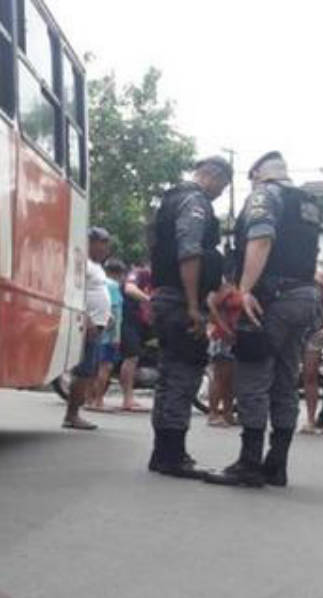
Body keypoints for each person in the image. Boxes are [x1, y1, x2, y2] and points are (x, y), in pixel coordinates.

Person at [207, 152, 321, 488]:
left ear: (257, 173)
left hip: (272, 299)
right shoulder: (308, 203)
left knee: (253, 377)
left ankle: (249, 463)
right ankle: (277, 464)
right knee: (287, 380)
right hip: (304, 298)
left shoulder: (265, 195)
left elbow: (261, 238)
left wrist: (244, 289)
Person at [147, 156, 232, 478]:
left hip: (166, 296)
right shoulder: (194, 201)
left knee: (169, 379)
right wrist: (195, 305)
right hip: (179, 300)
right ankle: (173, 455)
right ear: (211, 175)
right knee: (183, 377)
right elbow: (190, 250)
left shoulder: (169, 199)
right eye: (222, 187)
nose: (220, 194)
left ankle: (163, 453)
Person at [64, 227, 115, 431]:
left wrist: (107, 315)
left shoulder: (97, 266)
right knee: (84, 371)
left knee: (89, 370)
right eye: (102, 242)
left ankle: (75, 412)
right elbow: (74, 292)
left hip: (99, 325)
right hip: (88, 325)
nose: (105, 248)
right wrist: (86, 318)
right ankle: (72, 415)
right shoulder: (82, 263)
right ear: (91, 242)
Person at [88, 259, 128, 411]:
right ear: (118, 273)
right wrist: (116, 337)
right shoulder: (113, 286)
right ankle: (98, 401)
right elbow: (115, 313)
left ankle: (89, 399)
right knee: (105, 367)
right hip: (109, 334)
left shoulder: (99, 283)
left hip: (98, 330)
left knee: (95, 367)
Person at [206, 266, 243, 428]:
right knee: (220, 377)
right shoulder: (224, 288)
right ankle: (213, 413)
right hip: (222, 336)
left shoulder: (238, 287)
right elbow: (211, 307)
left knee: (232, 378)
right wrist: (224, 328)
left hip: (234, 336)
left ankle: (228, 412)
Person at [299, 269, 323, 434]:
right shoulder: (290, 270)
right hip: (292, 327)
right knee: (286, 373)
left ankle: (311, 419)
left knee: (310, 374)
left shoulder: (321, 276)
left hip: (314, 329)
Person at [118, 262, 153, 413]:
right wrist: (148, 299)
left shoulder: (157, 281)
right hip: (128, 320)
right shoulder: (140, 273)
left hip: (141, 323)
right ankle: (127, 399)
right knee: (131, 357)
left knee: (136, 356)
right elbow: (129, 288)